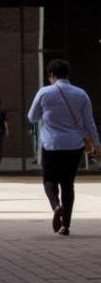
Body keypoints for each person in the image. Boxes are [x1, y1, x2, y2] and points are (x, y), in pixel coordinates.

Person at [28, 59, 99, 236]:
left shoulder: (44, 93)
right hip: (74, 145)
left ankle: (56, 206)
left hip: (51, 144)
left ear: (51, 75)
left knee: (49, 180)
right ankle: (65, 226)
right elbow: (89, 123)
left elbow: (32, 117)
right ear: (68, 74)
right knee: (68, 184)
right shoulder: (81, 94)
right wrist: (97, 144)